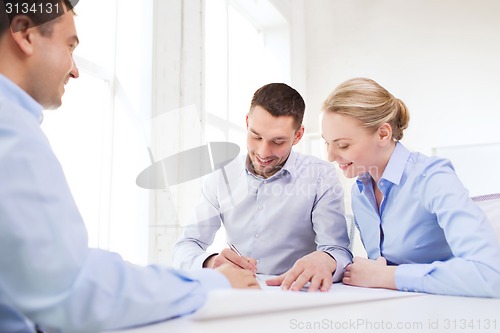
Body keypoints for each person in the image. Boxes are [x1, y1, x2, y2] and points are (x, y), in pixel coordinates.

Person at [0, 1, 259, 332]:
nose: (75, 69)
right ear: (24, 34)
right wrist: (212, 280)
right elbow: (74, 289)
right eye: (69, 46)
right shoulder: (11, 132)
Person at [320, 77, 500, 297]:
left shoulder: (432, 178)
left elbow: (491, 275)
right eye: (327, 143)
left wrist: (387, 276)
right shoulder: (360, 190)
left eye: (343, 145)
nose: (330, 156)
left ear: (383, 134)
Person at [173, 83, 353, 292]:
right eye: (256, 136)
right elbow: (185, 247)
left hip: (296, 294)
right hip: (237, 294)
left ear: (298, 136)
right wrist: (211, 263)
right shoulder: (221, 177)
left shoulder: (321, 176)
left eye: (278, 141)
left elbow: (339, 252)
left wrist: (326, 259)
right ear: (247, 122)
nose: (263, 152)